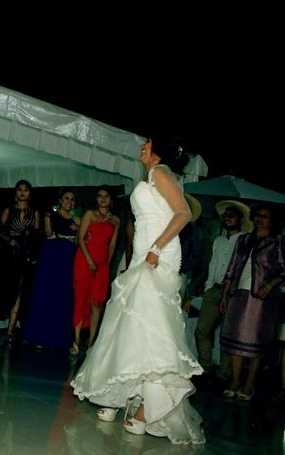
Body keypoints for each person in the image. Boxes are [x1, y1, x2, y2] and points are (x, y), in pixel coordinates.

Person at [71, 137, 205, 445]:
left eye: (147, 143)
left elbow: (182, 213)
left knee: (151, 327)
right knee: (130, 325)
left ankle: (147, 409)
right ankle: (119, 395)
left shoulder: (161, 172)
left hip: (158, 255)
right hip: (143, 254)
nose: (141, 147)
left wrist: (157, 247)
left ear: (158, 148)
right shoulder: (152, 174)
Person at [220, 204, 285, 401]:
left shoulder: (277, 242)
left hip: (263, 298)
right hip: (239, 293)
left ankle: (250, 383)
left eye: (265, 216)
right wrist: (224, 295)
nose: (260, 219)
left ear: (272, 221)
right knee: (236, 335)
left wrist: (270, 284)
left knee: (256, 339)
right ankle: (235, 380)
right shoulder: (244, 240)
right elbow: (231, 270)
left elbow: (283, 270)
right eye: (258, 215)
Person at [192, 200, 251, 389]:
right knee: (202, 329)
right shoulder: (218, 240)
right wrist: (209, 286)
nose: (227, 218)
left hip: (234, 293)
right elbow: (213, 264)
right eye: (225, 215)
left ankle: (224, 374)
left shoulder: (246, 240)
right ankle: (205, 367)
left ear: (241, 219)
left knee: (227, 334)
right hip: (214, 289)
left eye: (232, 215)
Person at [23, 188, 80, 350]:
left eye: (72, 199)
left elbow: (79, 241)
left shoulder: (77, 219)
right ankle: (39, 336)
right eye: (66, 198)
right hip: (51, 254)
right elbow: (48, 233)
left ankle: (58, 338)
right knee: (45, 293)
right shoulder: (52, 215)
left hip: (67, 256)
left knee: (61, 295)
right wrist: (48, 218)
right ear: (60, 201)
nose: (69, 201)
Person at [0, 179, 41, 346]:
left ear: (30, 193)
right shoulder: (8, 210)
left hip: (24, 254)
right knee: (0, 287)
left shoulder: (34, 212)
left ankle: (11, 329)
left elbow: (37, 235)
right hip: (7, 252)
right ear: (16, 192)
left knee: (19, 290)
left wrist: (29, 241)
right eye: (20, 189)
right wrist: (9, 239)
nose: (23, 192)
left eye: (26, 190)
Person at [72, 186, 120, 355]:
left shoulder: (115, 220)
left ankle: (91, 342)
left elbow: (113, 244)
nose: (102, 199)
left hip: (102, 264)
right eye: (100, 196)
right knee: (81, 299)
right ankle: (76, 340)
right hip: (84, 260)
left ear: (111, 200)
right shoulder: (89, 215)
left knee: (96, 303)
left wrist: (106, 264)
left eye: (106, 196)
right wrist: (90, 261)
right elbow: (80, 239)